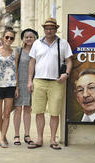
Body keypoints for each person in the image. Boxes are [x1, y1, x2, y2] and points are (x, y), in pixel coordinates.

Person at [27, 17, 73, 150]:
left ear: (56, 29)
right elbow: (32, 62)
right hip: (39, 81)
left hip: (56, 82)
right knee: (39, 111)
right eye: (46, 28)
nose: (49, 30)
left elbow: (69, 61)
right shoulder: (37, 43)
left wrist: (66, 74)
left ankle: (53, 140)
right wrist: (30, 80)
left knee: (54, 112)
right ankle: (40, 139)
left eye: (51, 28)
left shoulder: (63, 43)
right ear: (44, 29)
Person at [13, 28, 38, 145]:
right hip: (20, 83)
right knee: (18, 109)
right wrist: (16, 86)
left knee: (28, 109)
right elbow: (15, 69)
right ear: (23, 39)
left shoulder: (38, 51)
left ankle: (27, 135)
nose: (29, 39)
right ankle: (16, 135)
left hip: (32, 84)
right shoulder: (19, 50)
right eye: (26, 37)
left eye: (31, 37)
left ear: (35, 38)